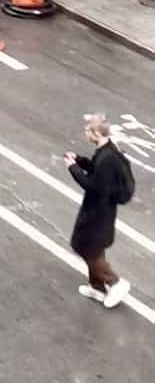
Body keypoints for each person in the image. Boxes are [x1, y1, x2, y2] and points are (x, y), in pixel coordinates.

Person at [66, 114, 133, 307]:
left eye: (88, 131)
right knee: (93, 250)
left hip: (98, 214)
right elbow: (96, 169)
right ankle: (97, 287)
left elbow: (93, 185)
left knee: (87, 248)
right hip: (99, 210)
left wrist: (73, 169)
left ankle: (115, 282)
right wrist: (78, 160)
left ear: (96, 133)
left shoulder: (108, 158)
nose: (86, 133)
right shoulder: (106, 150)